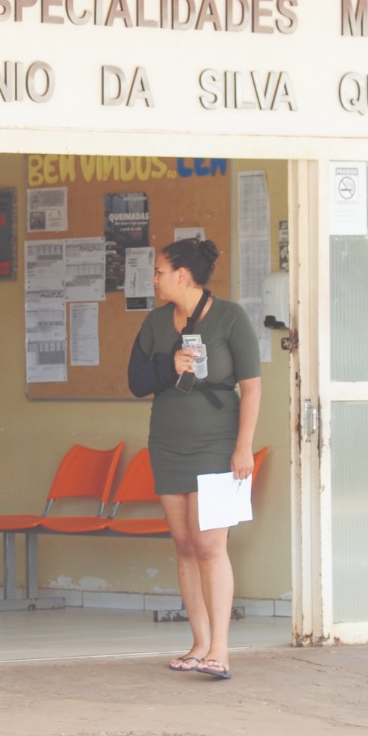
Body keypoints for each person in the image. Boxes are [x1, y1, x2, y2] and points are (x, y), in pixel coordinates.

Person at [127, 238, 261, 680]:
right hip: (167, 442)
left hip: (216, 444)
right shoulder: (156, 322)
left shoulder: (230, 317)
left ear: (182, 274)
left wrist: (244, 446)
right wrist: (171, 365)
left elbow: (252, 386)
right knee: (184, 546)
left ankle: (220, 650)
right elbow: (135, 380)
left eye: (160, 271)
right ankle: (199, 642)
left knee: (209, 546)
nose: (154, 279)